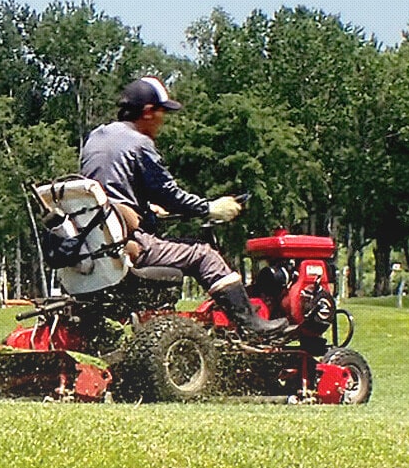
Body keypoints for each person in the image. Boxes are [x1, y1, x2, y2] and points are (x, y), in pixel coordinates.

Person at [79, 76, 290, 338]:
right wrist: (211, 208)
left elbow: (108, 193)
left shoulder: (96, 139)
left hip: (93, 246)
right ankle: (252, 326)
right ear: (147, 112)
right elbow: (171, 195)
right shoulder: (139, 143)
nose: (163, 120)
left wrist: (147, 210)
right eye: (162, 113)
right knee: (204, 254)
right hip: (124, 244)